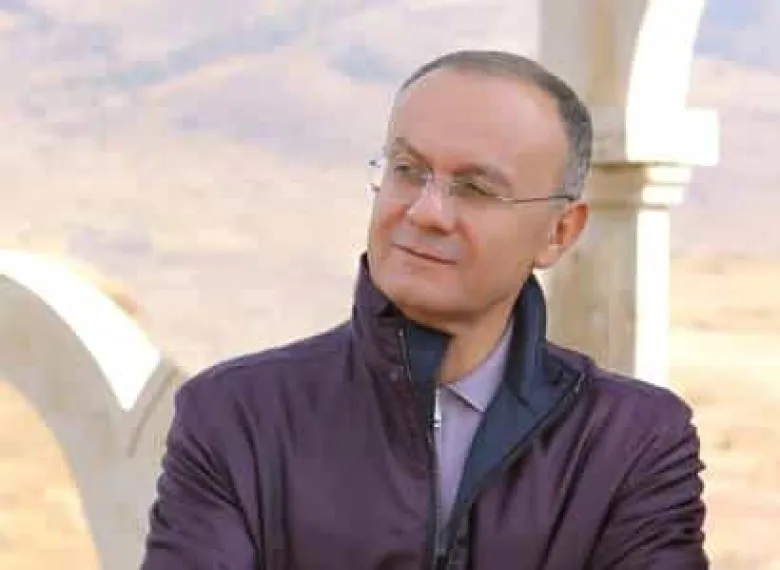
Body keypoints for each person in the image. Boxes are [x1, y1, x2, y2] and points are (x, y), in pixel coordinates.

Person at [141, 50, 708, 569]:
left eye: (476, 189)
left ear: (559, 231)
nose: (426, 211)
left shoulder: (633, 442)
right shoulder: (238, 419)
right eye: (408, 170)